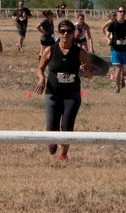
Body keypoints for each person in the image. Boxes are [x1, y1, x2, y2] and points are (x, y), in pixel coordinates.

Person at [35, 19, 93, 161]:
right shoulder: (50, 50)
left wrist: (87, 71)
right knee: (51, 126)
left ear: (74, 33)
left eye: (69, 31)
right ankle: (53, 142)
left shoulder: (80, 52)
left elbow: (90, 75)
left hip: (71, 94)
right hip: (52, 93)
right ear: (59, 33)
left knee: (67, 125)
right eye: (63, 31)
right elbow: (40, 68)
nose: (65, 34)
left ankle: (63, 154)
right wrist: (41, 78)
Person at [106, 7, 126, 92]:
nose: (122, 13)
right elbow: (107, 35)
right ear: (117, 12)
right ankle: (117, 88)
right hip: (114, 49)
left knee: (125, 70)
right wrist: (108, 40)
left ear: (125, 13)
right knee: (118, 68)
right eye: (120, 11)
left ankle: (122, 77)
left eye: (123, 11)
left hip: (124, 49)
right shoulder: (112, 24)